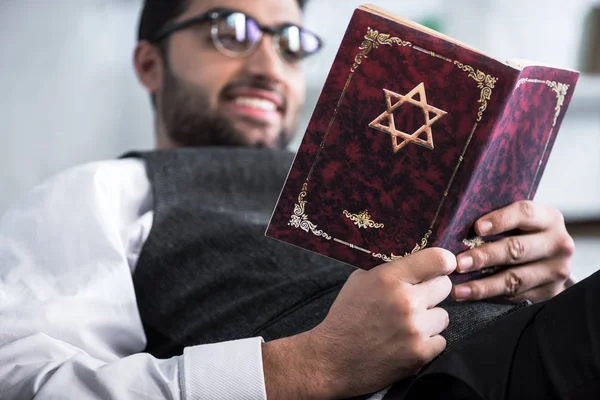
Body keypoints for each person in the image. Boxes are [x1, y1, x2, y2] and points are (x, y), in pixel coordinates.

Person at [0, 0, 596, 399]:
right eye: (228, 31)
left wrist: (525, 274)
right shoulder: (102, 191)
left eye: (290, 43)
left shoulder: (378, 166)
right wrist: (311, 365)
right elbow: (28, 382)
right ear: (150, 63)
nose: (268, 65)